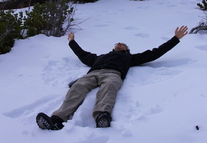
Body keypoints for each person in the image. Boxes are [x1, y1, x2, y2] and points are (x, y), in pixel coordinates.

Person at [36, 25, 188, 130]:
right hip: (93, 73)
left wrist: (175, 39)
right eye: (117, 44)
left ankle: (102, 116)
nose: (119, 44)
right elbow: (83, 55)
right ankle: (57, 120)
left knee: (109, 88)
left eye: (122, 45)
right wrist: (72, 42)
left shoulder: (130, 58)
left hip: (113, 74)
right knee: (77, 87)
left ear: (126, 50)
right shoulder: (100, 57)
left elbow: (154, 53)